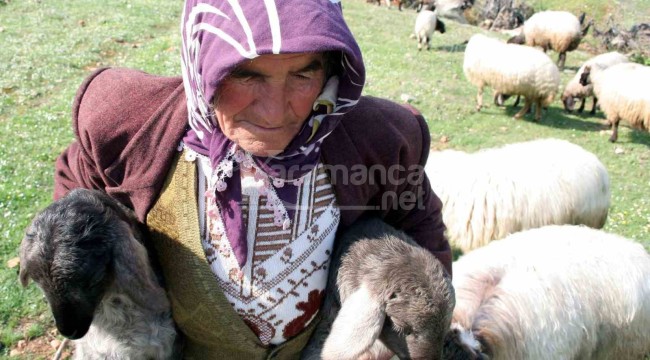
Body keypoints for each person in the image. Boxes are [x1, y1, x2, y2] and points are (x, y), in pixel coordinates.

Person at [53, 0, 451, 358]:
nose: (275, 112)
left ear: (331, 70)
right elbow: (78, 184)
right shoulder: (128, 128)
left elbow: (420, 223)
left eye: (303, 74)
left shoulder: (381, 142)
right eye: (245, 74)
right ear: (203, 64)